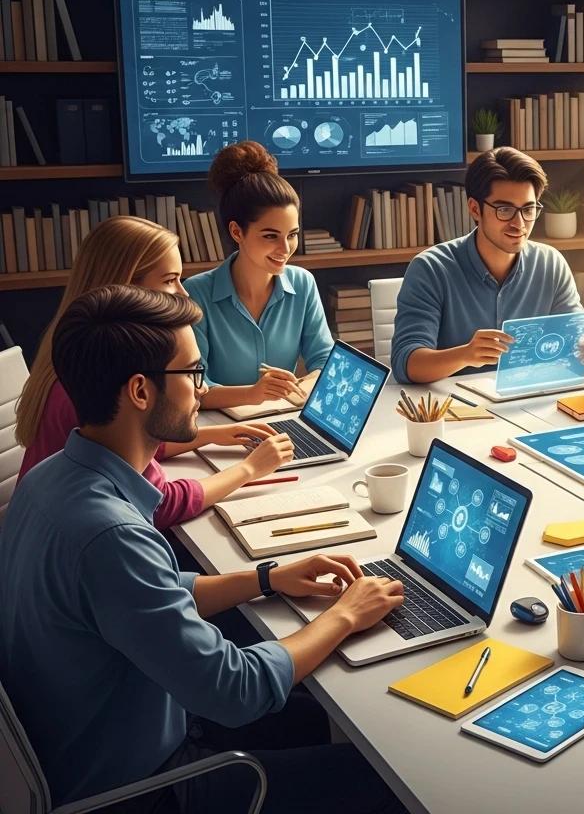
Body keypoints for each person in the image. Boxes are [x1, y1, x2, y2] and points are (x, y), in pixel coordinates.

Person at [0, 285, 407, 813]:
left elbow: (149, 594)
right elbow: (235, 692)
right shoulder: (110, 536)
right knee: (387, 780)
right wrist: (345, 617)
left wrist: (266, 579)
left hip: (101, 736)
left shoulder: (52, 478)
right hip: (145, 788)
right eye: (193, 374)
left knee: (330, 718)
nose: (201, 391)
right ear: (141, 391)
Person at [15, 216, 294, 528]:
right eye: (169, 280)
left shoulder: (73, 354)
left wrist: (213, 435)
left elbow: (131, 441)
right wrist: (250, 469)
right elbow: (158, 504)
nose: (183, 293)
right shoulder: (95, 382)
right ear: (126, 287)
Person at [391, 147, 584, 384]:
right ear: (475, 209)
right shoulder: (430, 269)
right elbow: (406, 363)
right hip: (458, 411)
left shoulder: (551, 263)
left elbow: (579, 336)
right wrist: (465, 355)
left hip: (531, 401)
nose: (520, 224)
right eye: (504, 210)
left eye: (528, 209)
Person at [185, 141, 333, 410]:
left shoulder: (303, 283)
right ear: (237, 232)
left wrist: (301, 387)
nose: (285, 249)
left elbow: (325, 362)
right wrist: (254, 393)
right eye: (270, 236)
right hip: (219, 430)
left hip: (285, 419)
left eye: (292, 235)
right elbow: (193, 389)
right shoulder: (196, 294)